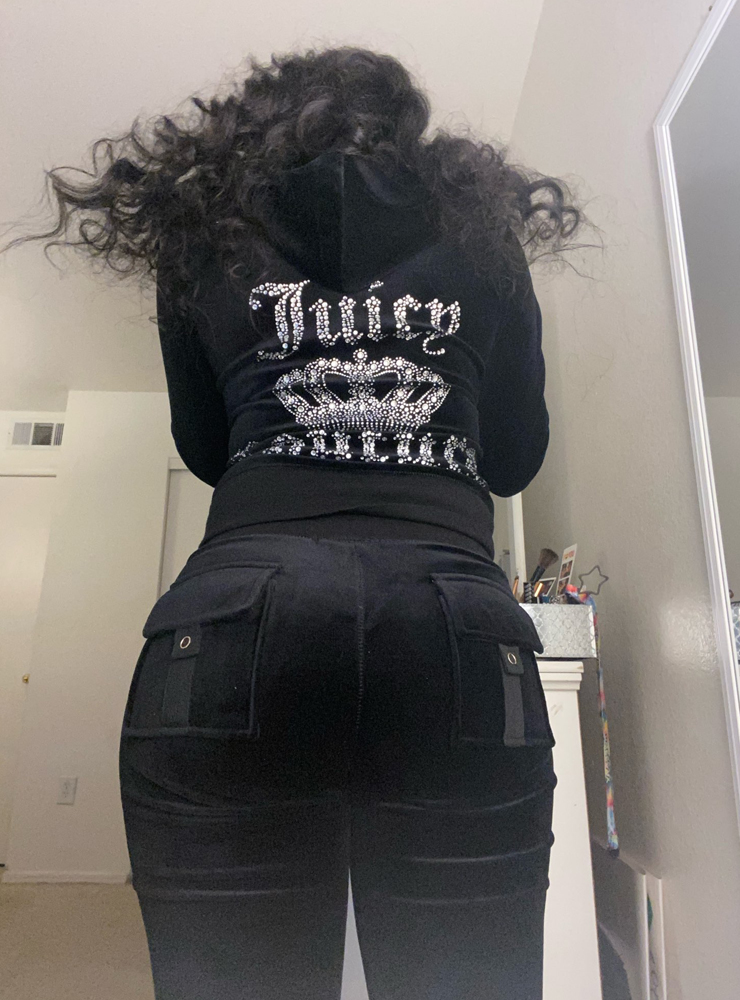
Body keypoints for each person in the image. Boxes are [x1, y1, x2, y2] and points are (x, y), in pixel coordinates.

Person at [6, 44, 584, 1000]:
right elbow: (515, 458)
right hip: (455, 624)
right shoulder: (483, 238)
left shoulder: (207, 237)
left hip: (234, 622)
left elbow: (206, 446)